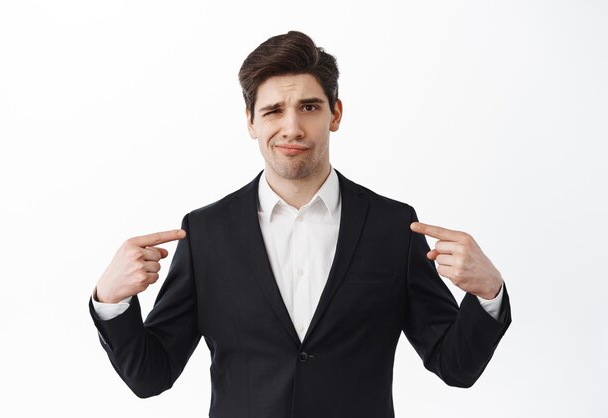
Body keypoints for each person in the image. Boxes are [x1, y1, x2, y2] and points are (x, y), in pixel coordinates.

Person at [89, 31, 511, 418]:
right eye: (273, 110)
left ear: (335, 114)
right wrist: (111, 301)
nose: (291, 127)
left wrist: (488, 293)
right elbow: (151, 376)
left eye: (309, 107)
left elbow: (455, 366)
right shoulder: (206, 234)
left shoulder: (393, 227)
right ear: (251, 121)